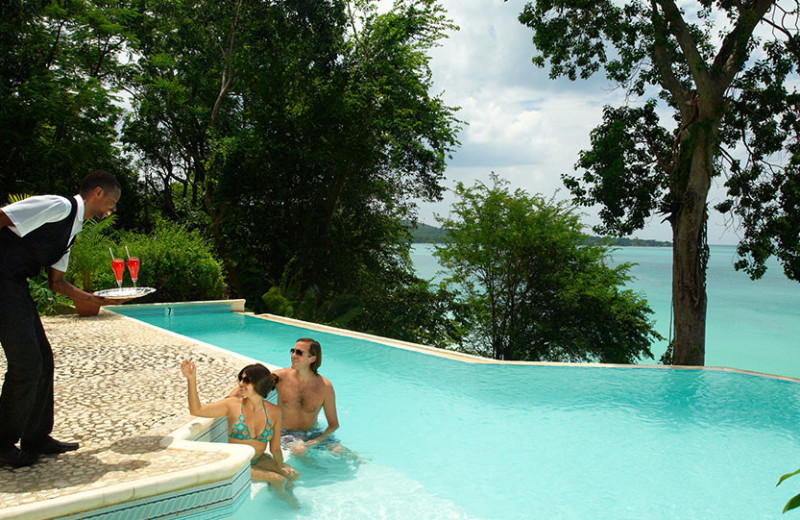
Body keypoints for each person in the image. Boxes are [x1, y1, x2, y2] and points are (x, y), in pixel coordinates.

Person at [0, 170, 122, 468]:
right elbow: (3, 217)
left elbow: (57, 283)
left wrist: (98, 300)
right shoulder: (59, 206)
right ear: (97, 193)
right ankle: (2, 445)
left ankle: (37, 437)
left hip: (15, 286)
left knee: (44, 359)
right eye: (113, 201)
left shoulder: (71, 231)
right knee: (26, 365)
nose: (113, 209)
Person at [180, 360, 298, 500]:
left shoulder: (274, 411)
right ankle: (289, 506)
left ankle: (288, 503)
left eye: (246, 380)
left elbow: (275, 449)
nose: (241, 383)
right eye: (240, 379)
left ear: (259, 384)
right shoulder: (232, 405)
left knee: (293, 474)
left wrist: (281, 464)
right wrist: (191, 379)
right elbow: (196, 410)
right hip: (238, 463)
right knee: (277, 479)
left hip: (259, 459)